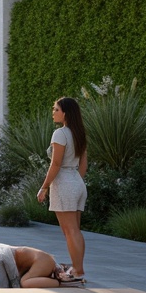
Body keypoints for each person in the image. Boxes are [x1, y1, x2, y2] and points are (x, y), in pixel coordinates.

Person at [38, 96, 89, 279]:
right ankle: (78, 268)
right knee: (75, 229)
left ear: (65, 113)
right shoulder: (80, 133)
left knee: (70, 230)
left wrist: (44, 187)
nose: (53, 112)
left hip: (65, 182)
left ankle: (77, 270)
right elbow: (83, 164)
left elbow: (56, 164)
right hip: (77, 181)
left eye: (56, 109)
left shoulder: (60, 134)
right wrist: (75, 182)